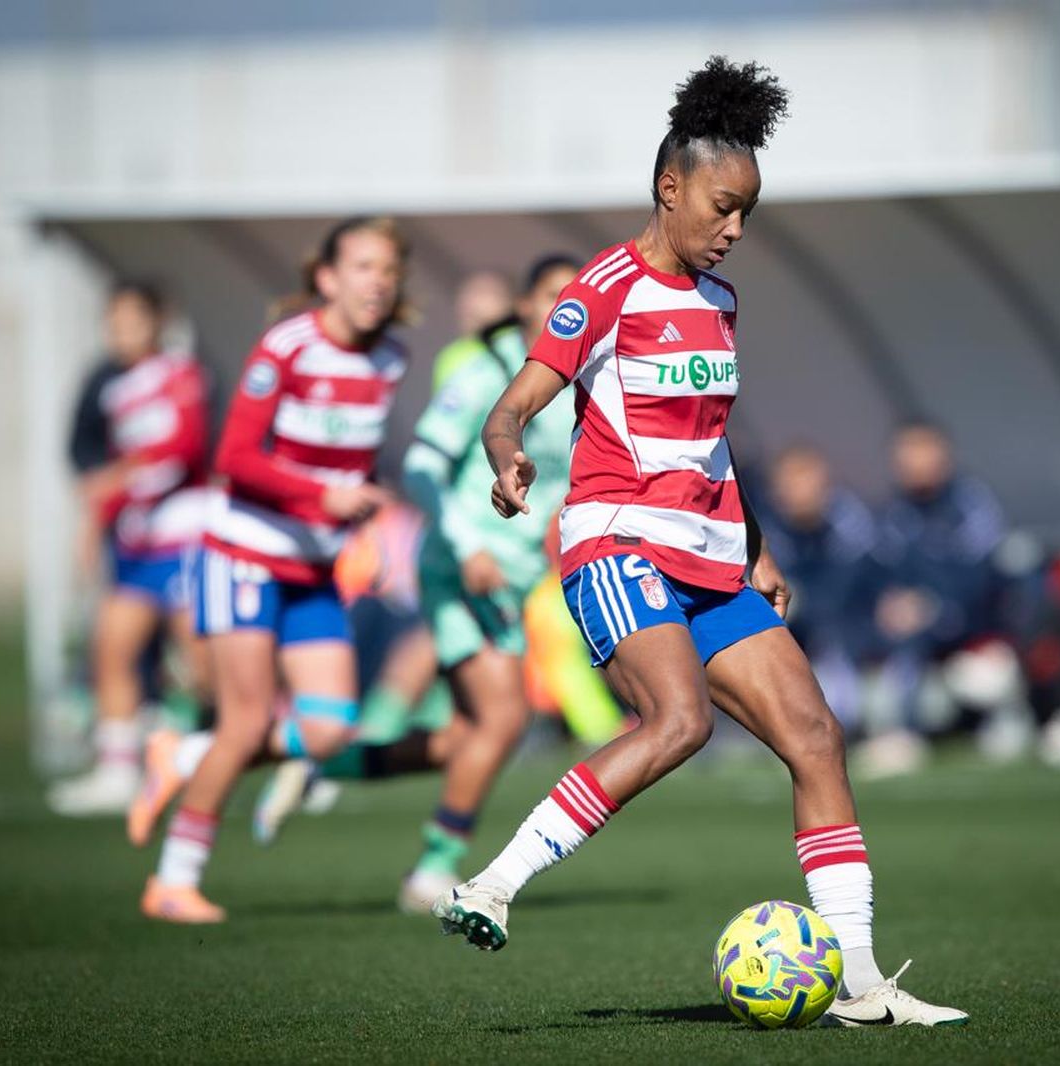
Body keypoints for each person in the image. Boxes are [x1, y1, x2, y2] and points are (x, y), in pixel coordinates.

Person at [431, 57, 967, 1028]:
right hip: (615, 542)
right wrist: (509, 464)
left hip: (711, 556)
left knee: (815, 737)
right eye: (724, 207)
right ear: (669, 187)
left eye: (747, 213)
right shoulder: (602, 289)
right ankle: (493, 885)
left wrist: (754, 544)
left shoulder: (721, 304)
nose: (735, 230)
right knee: (678, 720)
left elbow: (709, 447)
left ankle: (859, 987)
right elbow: (510, 412)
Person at [136, 216, 409, 923]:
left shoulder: (389, 360)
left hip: (312, 565)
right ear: (327, 278)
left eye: (388, 269)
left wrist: (363, 523)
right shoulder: (287, 346)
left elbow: (353, 462)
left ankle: (182, 757)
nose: (378, 281)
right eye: (363, 267)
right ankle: (173, 881)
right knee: (248, 720)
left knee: (328, 729)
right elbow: (234, 458)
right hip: (243, 556)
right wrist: (325, 496)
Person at [396, 252, 584, 910]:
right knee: (505, 717)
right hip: (460, 567)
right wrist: (470, 546)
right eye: (553, 294)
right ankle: (433, 868)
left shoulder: (584, 381)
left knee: (462, 736)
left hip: (513, 577)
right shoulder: (489, 371)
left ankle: (308, 756)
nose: (566, 307)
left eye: (575, 295)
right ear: (526, 305)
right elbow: (421, 466)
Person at [49, 281, 212, 816]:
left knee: (206, 666)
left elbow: (181, 451)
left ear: (157, 323)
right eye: (114, 323)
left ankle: (281, 753)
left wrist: (114, 485)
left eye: (132, 321)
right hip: (138, 541)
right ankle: (118, 770)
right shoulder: (110, 386)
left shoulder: (181, 374)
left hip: (184, 537)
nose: (121, 333)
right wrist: (98, 519)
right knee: (112, 650)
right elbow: (113, 470)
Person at [855, 421, 1015, 773]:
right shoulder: (891, 513)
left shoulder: (971, 506)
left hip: (972, 633)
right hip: (911, 635)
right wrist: (890, 603)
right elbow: (874, 576)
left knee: (988, 679)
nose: (915, 461)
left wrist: (933, 605)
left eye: (923, 450)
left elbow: (981, 579)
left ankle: (995, 723)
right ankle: (900, 733)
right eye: (907, 452)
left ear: (944, 455)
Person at [760, 444, 877, 735]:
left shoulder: (852, 522)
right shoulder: (763, 527)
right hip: (789, 638)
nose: (800, 490)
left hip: (855, 641)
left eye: (806, 478)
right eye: (791, 480)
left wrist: (800, 599)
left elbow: (842, 594)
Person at [433, 270, 515, 389]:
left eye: (482, 293)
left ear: (511, 303)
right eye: (464, 294)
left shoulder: (521, 345)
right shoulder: (450, 355)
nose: (468, 302)